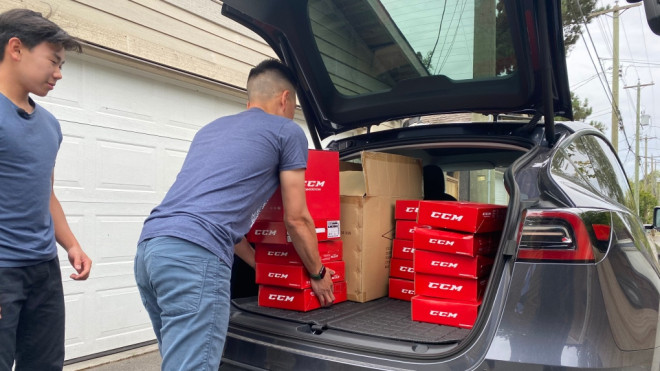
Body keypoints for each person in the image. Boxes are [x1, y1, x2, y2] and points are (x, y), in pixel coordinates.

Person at [134, 58, 335, 370]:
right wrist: (318, 274)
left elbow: (218, 214)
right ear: (285, 99)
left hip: (151, 250)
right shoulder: (287, 131)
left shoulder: (210, 130)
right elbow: (297, 219)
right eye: (293, 103)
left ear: (249, 100)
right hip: (195, 257)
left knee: (179, 361)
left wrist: (261, 266)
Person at [0, 8, 92, 371]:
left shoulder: (50, 125)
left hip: (43, 269)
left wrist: (70, 244)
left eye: (63, 65)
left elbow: (45, 192)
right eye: (53, 61)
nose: (58, 73)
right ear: (16, 48)